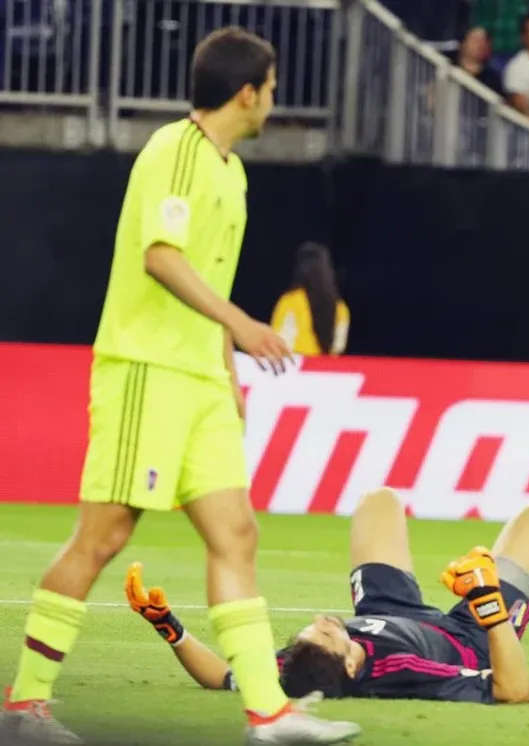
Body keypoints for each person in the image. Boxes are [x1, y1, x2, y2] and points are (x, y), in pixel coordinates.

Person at [0, 27, 360, 746]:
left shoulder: (233, 173)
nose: (274, 99)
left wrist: (225, 372)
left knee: (236, 534)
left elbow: (208, 278)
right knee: (103, 536)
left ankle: (269, 713)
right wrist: (245, 327)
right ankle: (24, 706)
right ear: (247, 93)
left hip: (199, 380)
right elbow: (161, 258)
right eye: (272, 87)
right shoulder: (175, 149)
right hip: (147, 369)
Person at [124, 488, 529, 704]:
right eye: (327, 634)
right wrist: (489, 606)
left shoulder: (298, 668)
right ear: (350, 666)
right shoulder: (402, 672)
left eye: (310, 631)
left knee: (377, 502)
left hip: (386, 607)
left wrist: (169, 628)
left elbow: (223, 677)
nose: (322, 621)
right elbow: (512, 691)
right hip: (467, 635)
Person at [271, 242, 350, 357]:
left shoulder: (290, 301)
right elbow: (338, 347)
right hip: (325, 367)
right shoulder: (340, 308)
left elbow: (279, 339)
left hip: (297, 364)